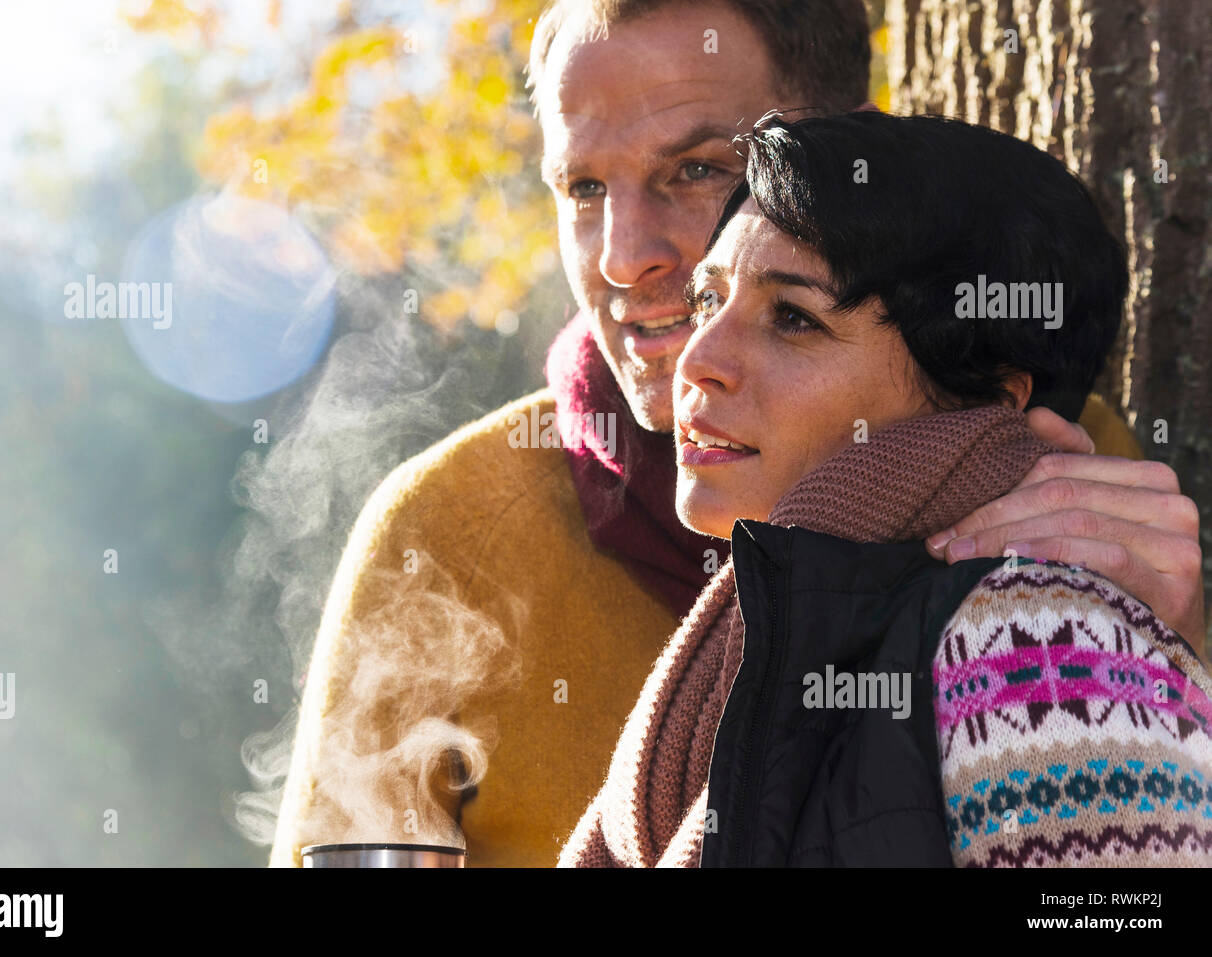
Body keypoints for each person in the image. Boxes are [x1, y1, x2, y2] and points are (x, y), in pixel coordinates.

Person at [271, 0, 1206, 867]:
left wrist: (1184, 639)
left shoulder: (1066, 468)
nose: (624, 256)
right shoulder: (446, 531)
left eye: (696, 171)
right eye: (585, 186)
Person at [559, 110, 1212, 867]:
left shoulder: (1039, 639)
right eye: (709, 302)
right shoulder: (740, 640)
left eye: (794, 318)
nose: (697, 357)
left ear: (989, 400)